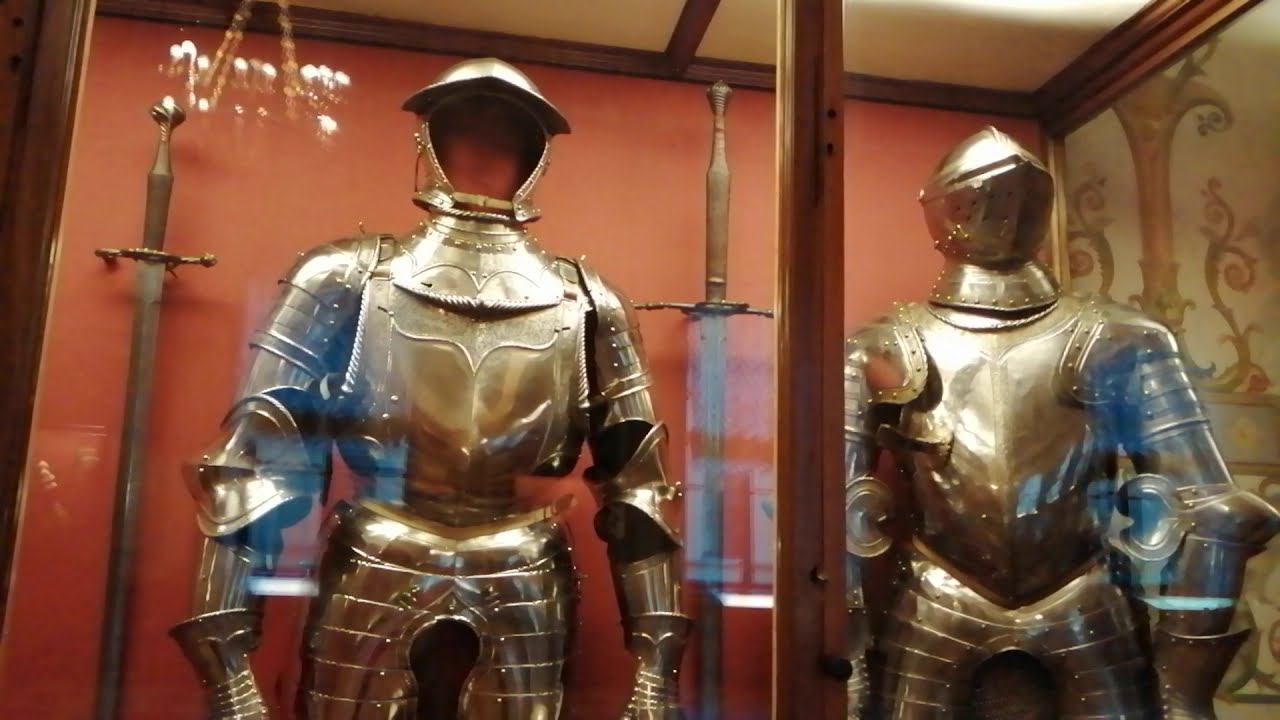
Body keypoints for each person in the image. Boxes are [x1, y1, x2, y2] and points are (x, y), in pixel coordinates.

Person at [170, 58, 689, 720]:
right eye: (466, 129)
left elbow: (639, 488)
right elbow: (250, 468)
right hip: (376, 555)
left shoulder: (590, 302)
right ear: (429, 138)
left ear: (537, 154)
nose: (484, 149)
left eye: (504, 134)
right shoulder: (343, 276)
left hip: (523, 566)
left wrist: (655, 673)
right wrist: (230, 674)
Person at [843, 127, 1279, 719]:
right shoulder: (881, 346)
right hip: (936, 604)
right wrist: (848, 667)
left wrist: (1184, 693)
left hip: (1087, 603)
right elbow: (833, 520)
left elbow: (1217, 513)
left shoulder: (1123, 338)